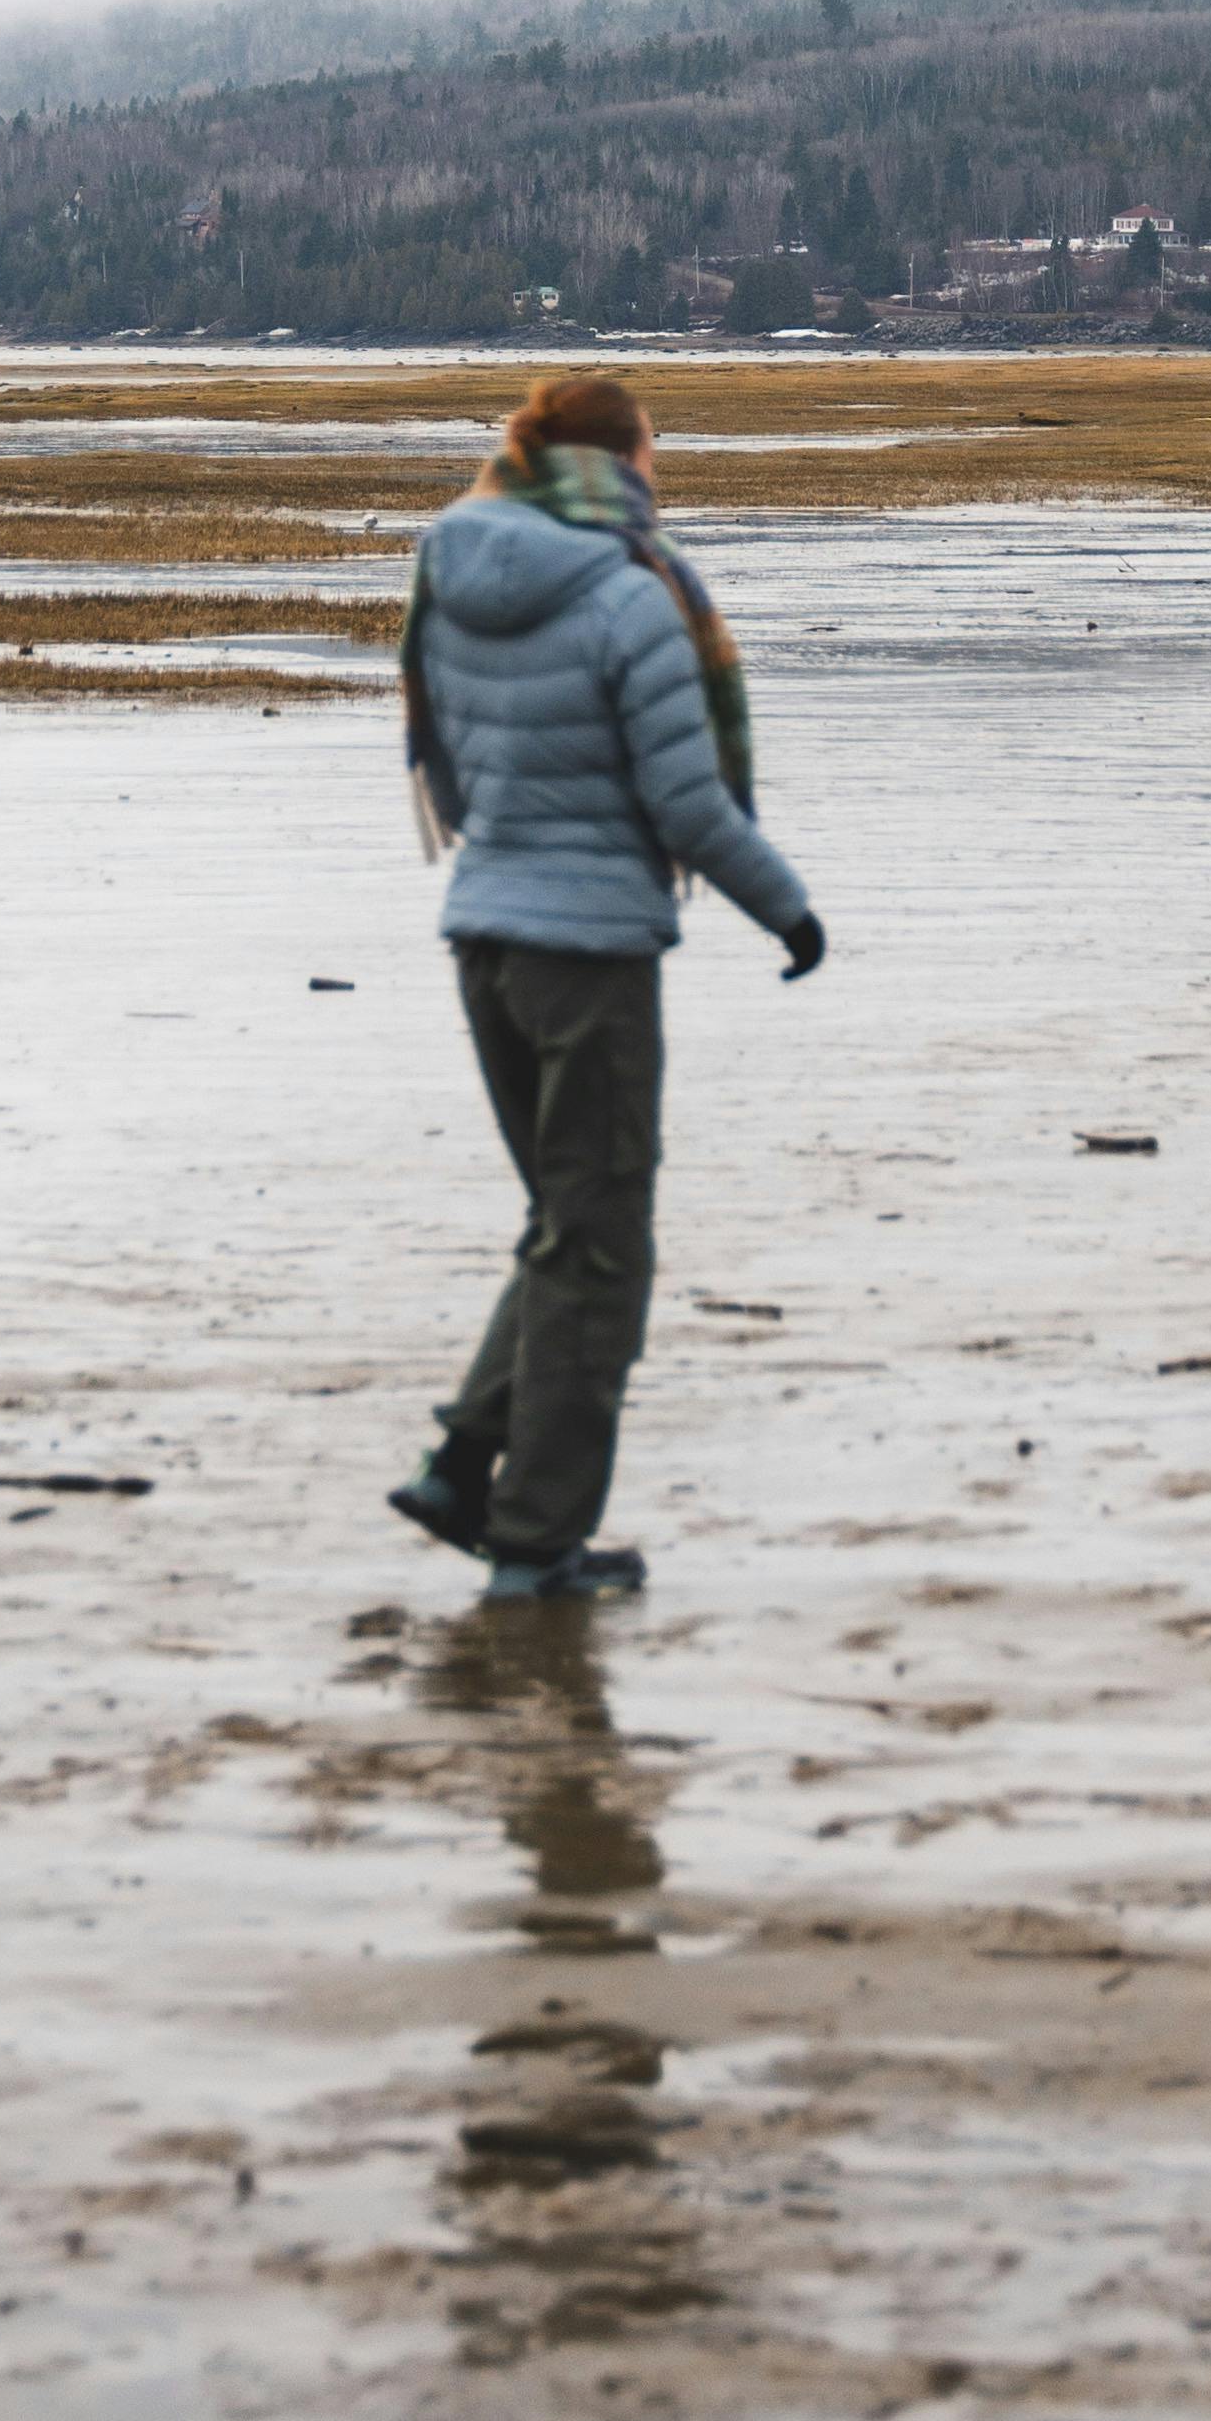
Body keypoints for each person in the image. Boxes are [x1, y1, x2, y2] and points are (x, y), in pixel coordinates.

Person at [388, 362, 826, 1601]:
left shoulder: (449, 569)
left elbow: (452, 779)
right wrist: (787, 911)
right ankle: (536, 1542)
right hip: (588, 958)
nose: (656, 477)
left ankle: (463, 1466)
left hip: (483, 941)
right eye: (650, 455)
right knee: (602, 1253)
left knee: (562, 1228)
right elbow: (684, 802)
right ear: (613, 461)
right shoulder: (632, 597)